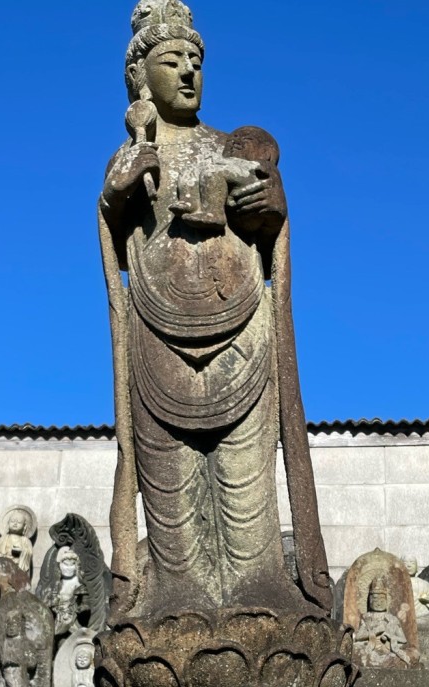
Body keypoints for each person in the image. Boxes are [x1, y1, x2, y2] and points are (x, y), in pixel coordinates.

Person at [99, 0, 330, 619]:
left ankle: (262, 591)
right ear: (140, 75)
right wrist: (118, 193)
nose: (188, 73)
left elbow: (270, 223)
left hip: (242, 335)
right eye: (171, 61)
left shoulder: (233, 145)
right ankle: (175, 594)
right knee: (168, 486)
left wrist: (270, 205)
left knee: (246, 486)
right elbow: (111, 230)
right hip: (156, 332)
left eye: (196, 61)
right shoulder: (131, 156)